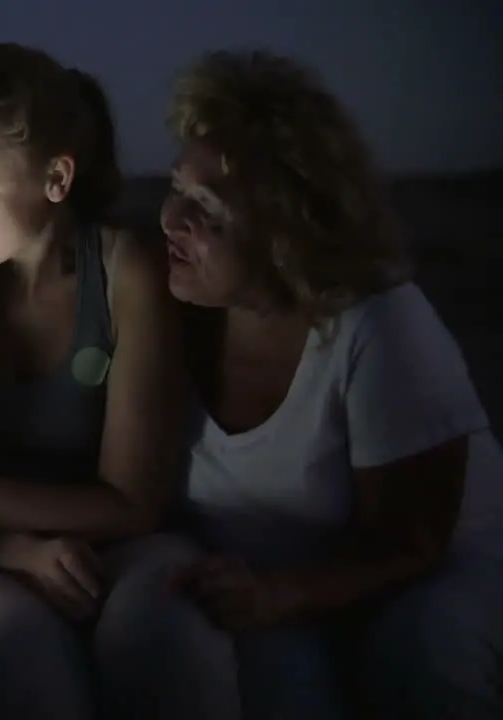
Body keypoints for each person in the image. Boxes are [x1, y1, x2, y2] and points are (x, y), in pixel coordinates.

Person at [0, 43, 226, 720]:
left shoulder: (125, 272)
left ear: (56, 178)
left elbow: (133, 502)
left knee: (162, 634)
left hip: (126, 547)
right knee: (2, 651)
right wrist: (12, 550)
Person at [159, 50, 503, 719]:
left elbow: (413, 540)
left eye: (209, 208)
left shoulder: (378, 324)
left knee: (425, 648)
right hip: (276, 594)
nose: (173, 218)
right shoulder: (176, 307)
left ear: (287, 231)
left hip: (444, 574)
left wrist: (280, 594)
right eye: (178, 188)